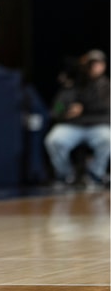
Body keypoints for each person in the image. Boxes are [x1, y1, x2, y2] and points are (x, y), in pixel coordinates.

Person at [44, 49, 110, 188]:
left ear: (103, 65)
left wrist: (84, 109)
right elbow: (57, 108)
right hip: (72, 125)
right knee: (54, 140)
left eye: (98, 64)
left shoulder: (106, 87)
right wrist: (66, 113)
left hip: (97, 125)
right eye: (90, 64)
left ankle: (95, 175)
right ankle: (66, 175)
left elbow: (106, 109)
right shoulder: (73, 85)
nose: (94, 67)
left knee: (107, 139)